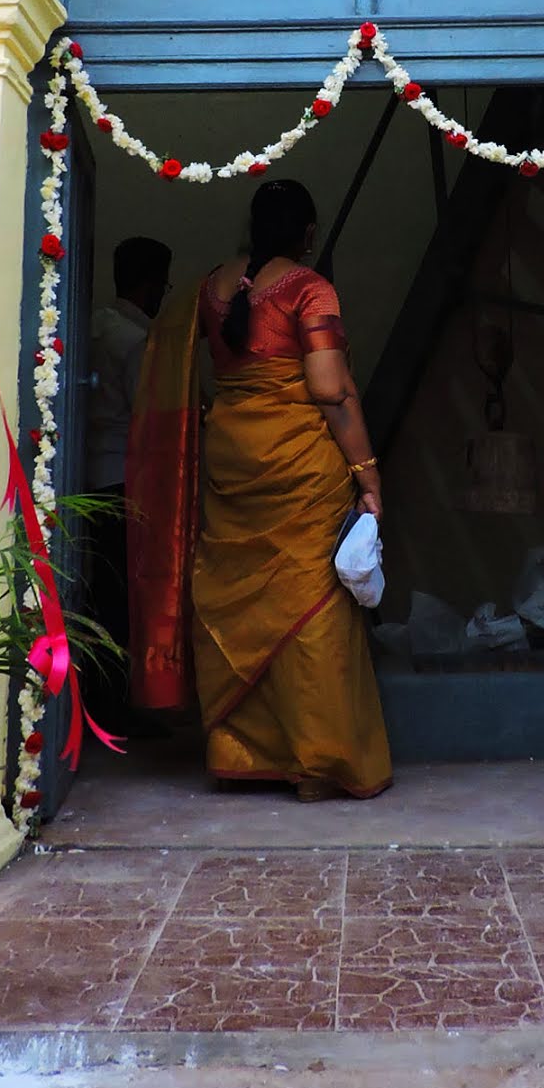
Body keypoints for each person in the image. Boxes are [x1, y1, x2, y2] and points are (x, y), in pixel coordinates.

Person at [193, 179, 392, 800]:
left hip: (231, 455)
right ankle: (318, 763)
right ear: (308, 233)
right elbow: (331, 390)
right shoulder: (309, 287)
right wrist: (368, 475)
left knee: (241, 599)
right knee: (313, 607)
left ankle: (240, 754)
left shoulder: (211, 286)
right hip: (299, 462)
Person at [85, 236, 171, 726]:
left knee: (100, 591)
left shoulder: (96, 324)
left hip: (89, 472)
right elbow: (149, 417)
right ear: (151, 284)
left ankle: (99, 699)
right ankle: (119, 706)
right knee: (125, 597)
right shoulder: (138, 341)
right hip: (124, 478)